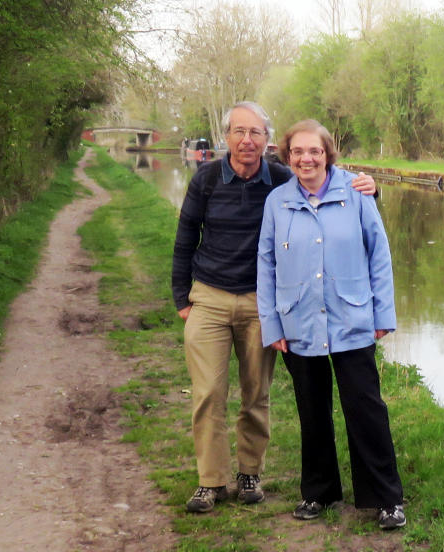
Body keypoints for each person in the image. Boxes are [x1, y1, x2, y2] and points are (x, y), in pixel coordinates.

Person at [172, 103, 376, 513]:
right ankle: (211, 481)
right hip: (209, 296)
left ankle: (250, 473)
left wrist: (370, 188)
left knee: (256, 392)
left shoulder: (282, 179)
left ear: (268, 141)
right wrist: (182, 299)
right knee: (208, 392)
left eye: (255, 133)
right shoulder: (207, 178)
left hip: (261, 301)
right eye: (238, 132)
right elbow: (185, 238)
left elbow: (328, 183)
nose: (246, 140)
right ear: (226, 137)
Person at [257, 119, 406, 530]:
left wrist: (383, 314)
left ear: (328, 154)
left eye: (315, 151)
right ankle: (319, 492)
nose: (307, 159)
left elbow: (380, 254)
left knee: (366, 409)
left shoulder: (356, 194)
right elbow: (266, 264)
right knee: (312, 410)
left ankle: (386, 499)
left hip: (352, 318)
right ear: (288, 157)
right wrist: (273, 325)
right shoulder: (277, 202)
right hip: (299, 322)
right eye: (298, 152)